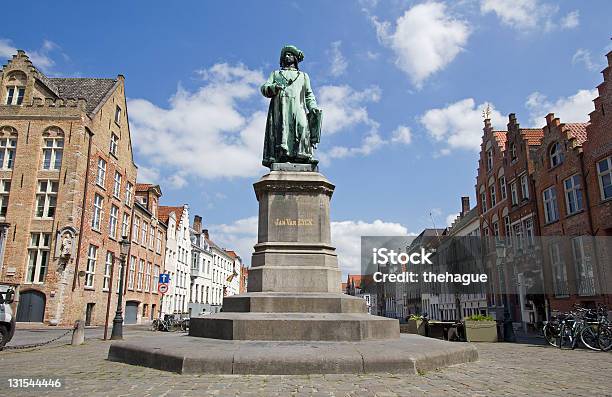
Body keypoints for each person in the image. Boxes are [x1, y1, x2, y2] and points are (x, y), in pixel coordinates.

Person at [261, 45, 322, 167]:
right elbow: (264, 88)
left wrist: (313, 107)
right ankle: (284, 156)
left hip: (298, 107)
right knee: (283, 130)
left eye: (290, 54)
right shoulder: (276, 74)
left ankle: (303, 155)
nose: (287, 57)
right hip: (281, 107)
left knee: (302, 126)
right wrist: (273, 87)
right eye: (285, 55)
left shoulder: (303, 76)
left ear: (295, 58)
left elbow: (309, 95)